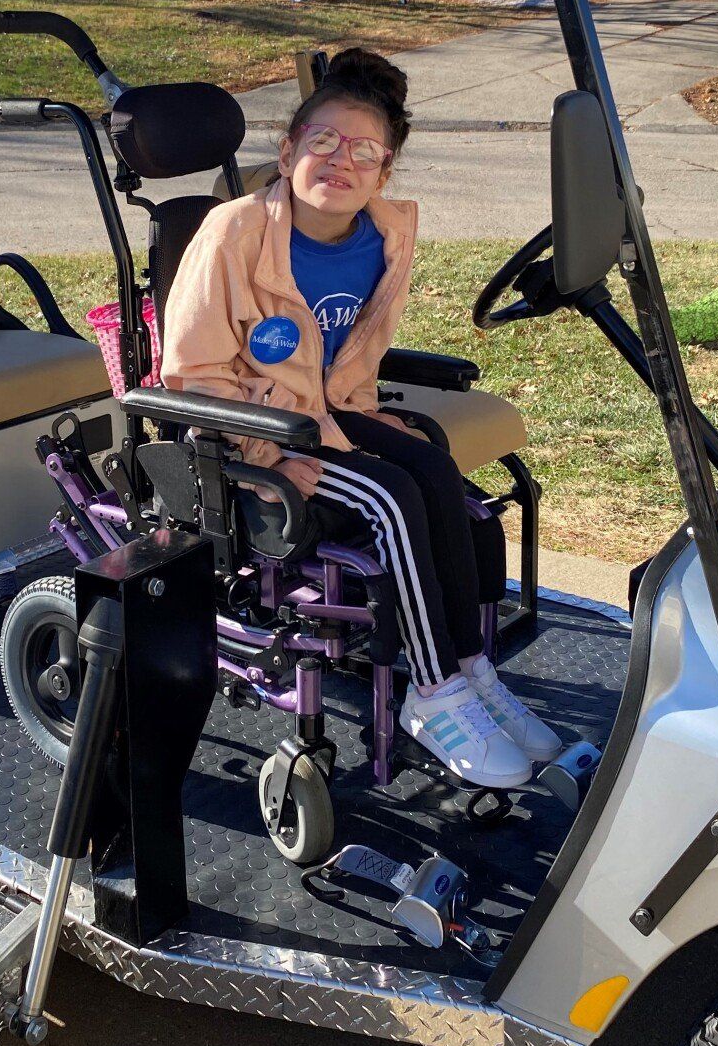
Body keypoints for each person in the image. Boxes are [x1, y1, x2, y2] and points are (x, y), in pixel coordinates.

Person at [161, 49, 561, 788]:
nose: (342, 160)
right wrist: (267, 456)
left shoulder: (385, 235)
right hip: (246, 435)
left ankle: (473, 669)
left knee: (441, 478)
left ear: (384, 173)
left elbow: (351, 356)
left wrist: (370, 420)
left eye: (366, 152)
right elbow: (194, 374)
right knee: (392, 499)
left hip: (329, 413)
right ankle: (432, 691)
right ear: (288, 153)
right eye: (323, 141)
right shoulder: (232, 233)